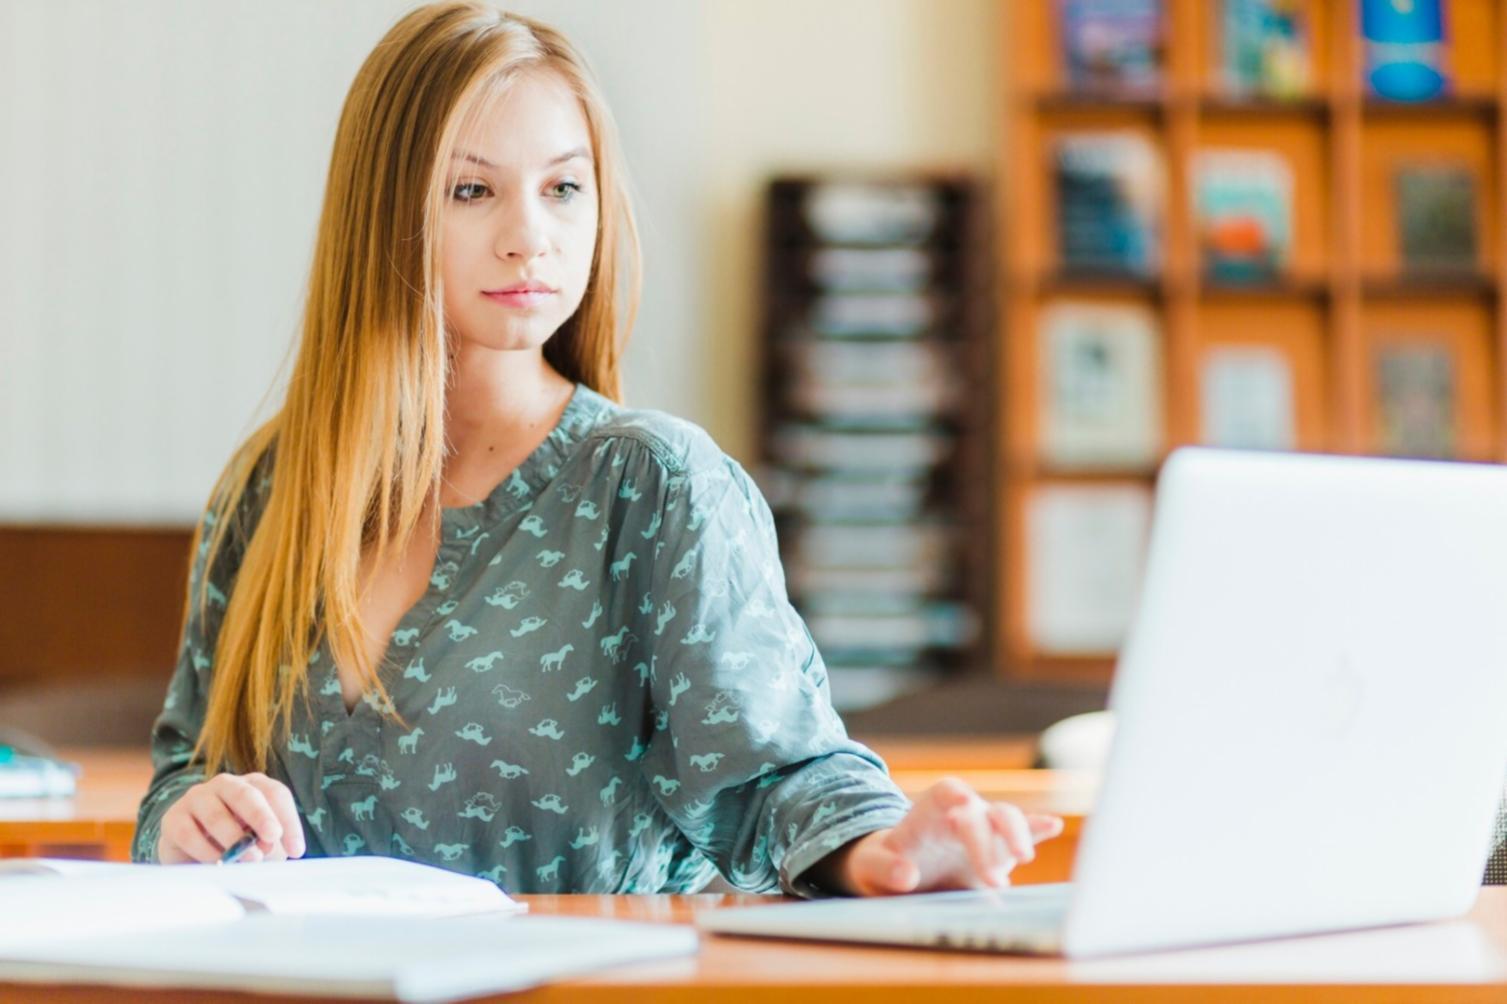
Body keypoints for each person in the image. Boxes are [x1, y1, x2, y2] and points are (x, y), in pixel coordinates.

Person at [132, 1, 1063, 897]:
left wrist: (889, 851)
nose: (528, 237)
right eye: (472, 190)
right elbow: (185, 772)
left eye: (563, 188)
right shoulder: (270, 487)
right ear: (383, 214)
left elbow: (779, 777)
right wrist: (188, 819)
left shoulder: (653, 484)